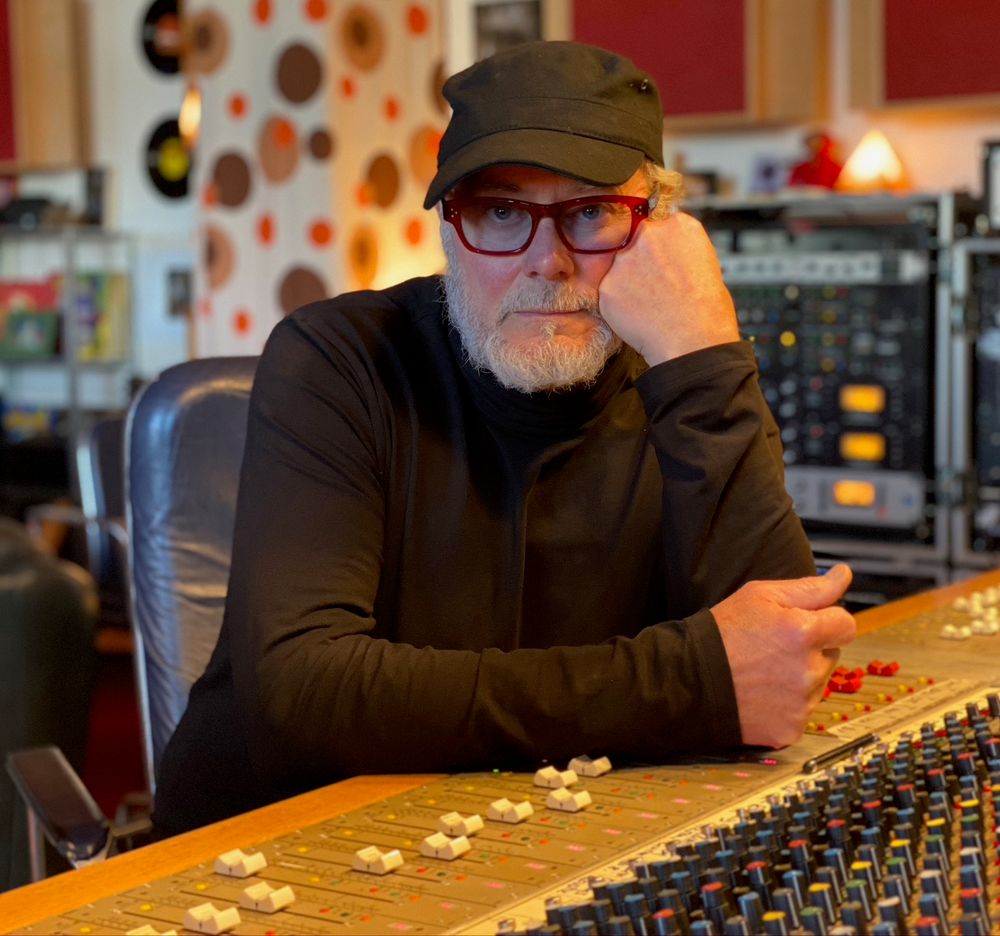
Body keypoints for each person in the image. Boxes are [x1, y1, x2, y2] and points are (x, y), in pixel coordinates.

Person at [153, 41, 856, 836]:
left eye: (592, 213)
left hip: (537, 840)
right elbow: (304, 696)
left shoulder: (687, 371)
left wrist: (704, 356)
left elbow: (777, 669)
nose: (546, 262)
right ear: (450, 230)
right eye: (500, 213)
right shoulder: (337, 359)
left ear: (658, 231)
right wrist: (686, 682)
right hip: (269, 850)